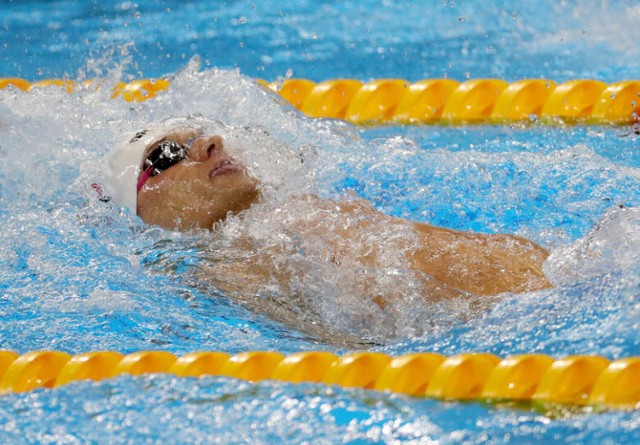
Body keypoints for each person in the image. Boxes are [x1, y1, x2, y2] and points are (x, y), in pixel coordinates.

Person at [108, 117, 551, 316]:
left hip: (565, 276)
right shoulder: (228, 267)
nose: (213, 144)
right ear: (140, 210)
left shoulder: (285, 219)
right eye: (167, 154)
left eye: (203, 136)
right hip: (544, 314)